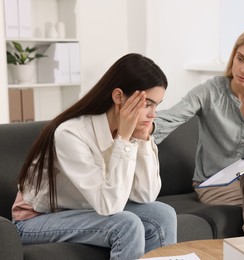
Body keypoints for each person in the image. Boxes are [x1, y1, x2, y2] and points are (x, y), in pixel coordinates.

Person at [11, 53, 177, 259]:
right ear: (118, 97)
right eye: (147, 104)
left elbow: (146, 195)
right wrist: (124, 141)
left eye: (157, 105)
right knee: (126, 224)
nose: (154, 115)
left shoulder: (131, 130)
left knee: (163, 214)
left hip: (84, 209)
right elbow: (109, 205)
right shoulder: (70, 134)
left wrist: (142, 140)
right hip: (35, 220)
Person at [153, 27, 244, 235]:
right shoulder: (210, 91)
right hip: (213, 187)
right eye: (240, 59)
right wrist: (138, 127)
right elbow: (172, 117)